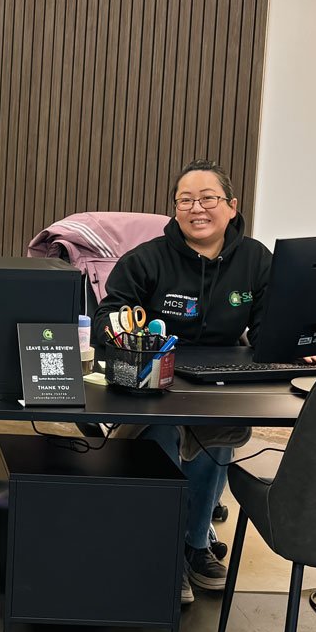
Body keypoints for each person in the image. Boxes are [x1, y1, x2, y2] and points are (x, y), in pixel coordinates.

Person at [92, 160, 270, 606]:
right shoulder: (146, 260)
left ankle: (194, 546)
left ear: (231, 207)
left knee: (217, 433)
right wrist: (124, 335)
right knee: (165, 434)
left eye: (208, 198)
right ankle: (164, 551)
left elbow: (273, 327)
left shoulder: (257, 260)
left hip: (221, 386)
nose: (197, 208)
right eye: (185, 200)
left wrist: (300, 343)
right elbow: (106, 319)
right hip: (152, 385)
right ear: (175, 210)